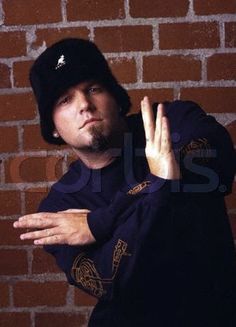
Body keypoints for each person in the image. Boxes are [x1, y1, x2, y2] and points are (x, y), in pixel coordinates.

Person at [13, 38, 236, 326]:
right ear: (53, 128)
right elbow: (108, 280)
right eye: (65, 100)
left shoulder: (171, 122)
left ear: (116, 97)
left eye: (93, 88)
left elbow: (221, 164)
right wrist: (161, 181)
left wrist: (100, 223)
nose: (84, 105)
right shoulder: (60, 209)